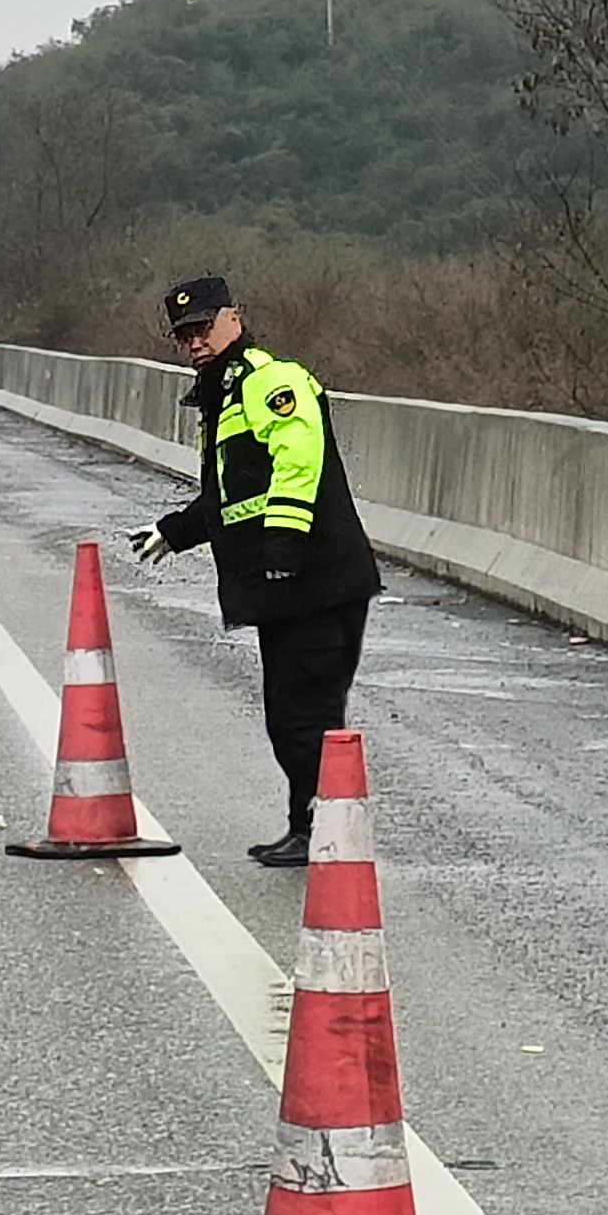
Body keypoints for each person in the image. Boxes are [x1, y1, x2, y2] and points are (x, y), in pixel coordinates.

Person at [126, 272, 382, 867]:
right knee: (294, 715)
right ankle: (316, 826)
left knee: (305, 716)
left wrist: (283, 556)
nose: (195, 341)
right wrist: (172, 532)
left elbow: (299, 465)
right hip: (288, 590)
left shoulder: (271, 381)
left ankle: (324, 831)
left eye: (204, 327)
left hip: (314, 582)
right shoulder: (224, 396)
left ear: (234, 319)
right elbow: (229, 495)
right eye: (184, 334)